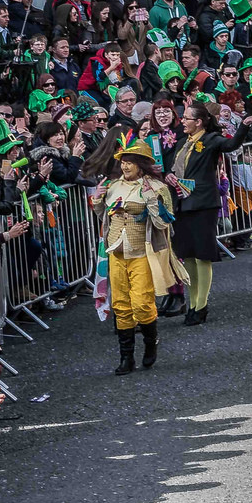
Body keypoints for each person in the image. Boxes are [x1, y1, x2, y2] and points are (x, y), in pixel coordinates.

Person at [168, 99, 252, 327]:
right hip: (182, 203)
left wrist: (244, 127)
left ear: (199, 122)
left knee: (202, 254)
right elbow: (171, 167)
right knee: (188, 255)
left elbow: (230, 146)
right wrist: (168, 176)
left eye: (187, 118)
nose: (183, 122)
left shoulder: (210, 140)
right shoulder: (182, 142)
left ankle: (201, 306)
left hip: (203, 203)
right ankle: (192, 303)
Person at [99, 134, 180, 375]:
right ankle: (126, 358)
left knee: (142, 304)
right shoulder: (113, 186)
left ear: (141, 164)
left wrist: (149, 201)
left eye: (130, 161)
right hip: (116, 251)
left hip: (142, 251)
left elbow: (166, 222)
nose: (124, 165)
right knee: (121, 306)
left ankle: (150, 344)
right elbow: (103, 215)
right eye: (123, 161)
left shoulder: (157, 187)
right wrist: (96, 202)